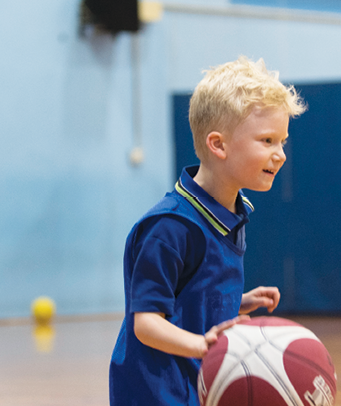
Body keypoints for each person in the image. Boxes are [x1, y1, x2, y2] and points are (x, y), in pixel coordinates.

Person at [109, 56, 306, 406]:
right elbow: (147, 323)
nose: (281, 155)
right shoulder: (170, 227)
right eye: (267, 140)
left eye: (283, 142)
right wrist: (205, 346)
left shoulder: (234, 211)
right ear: (218, 145)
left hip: (197, 386)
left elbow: (187, 296)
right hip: (154, 393)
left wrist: (237, 302)